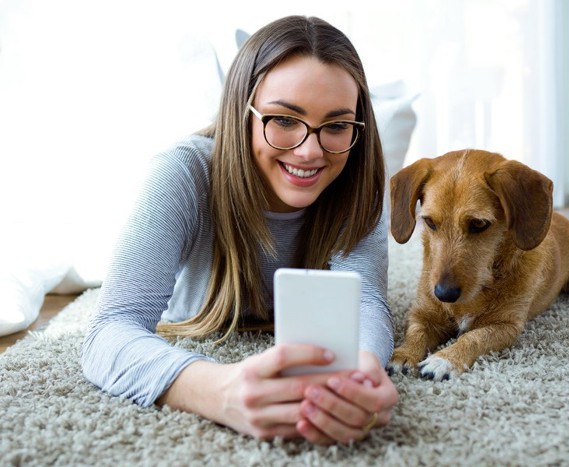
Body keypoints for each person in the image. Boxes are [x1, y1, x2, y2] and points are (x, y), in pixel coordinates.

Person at [80, 15, 398, 445]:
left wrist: (362, 371)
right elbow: (109, 330)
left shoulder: (359, 180)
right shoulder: (183, 172)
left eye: (337, 126)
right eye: (284, 120)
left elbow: (368, 302)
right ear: (241, 113)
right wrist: (219, 391)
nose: (310, 151)